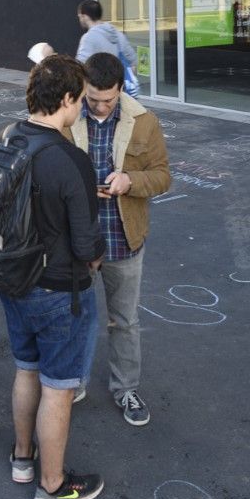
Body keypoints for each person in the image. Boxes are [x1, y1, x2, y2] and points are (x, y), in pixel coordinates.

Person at [2, 54, 105, 499]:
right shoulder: (70, 159)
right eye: (80, 99)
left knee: (26, 369)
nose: (82, 107)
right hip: (60, 289)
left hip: (15, 279)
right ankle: (52, 484)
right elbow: (86, 245)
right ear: (65, 98)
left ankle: (22, 458)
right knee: (58, 387)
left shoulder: (8, 140)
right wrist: (97, 257)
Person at [65, 52, 171, 425]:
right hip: (76, 241)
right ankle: (73, 381)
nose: (98, 106)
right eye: (91, 98)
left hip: (123, 239)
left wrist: (130, 182)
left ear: (120, 90)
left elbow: (162, 176)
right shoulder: (66, 115)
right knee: (74, 316)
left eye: (107, 100)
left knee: (124, 321)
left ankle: (126, 389)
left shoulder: (144, 122)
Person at [76, 0, 136, 67]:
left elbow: (80, 67)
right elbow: (133, 61)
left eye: (80, 16)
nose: (80, 20)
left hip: (98, 77)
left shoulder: (88, 38)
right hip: (118, 77)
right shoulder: (117, 34)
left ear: (85, 17)